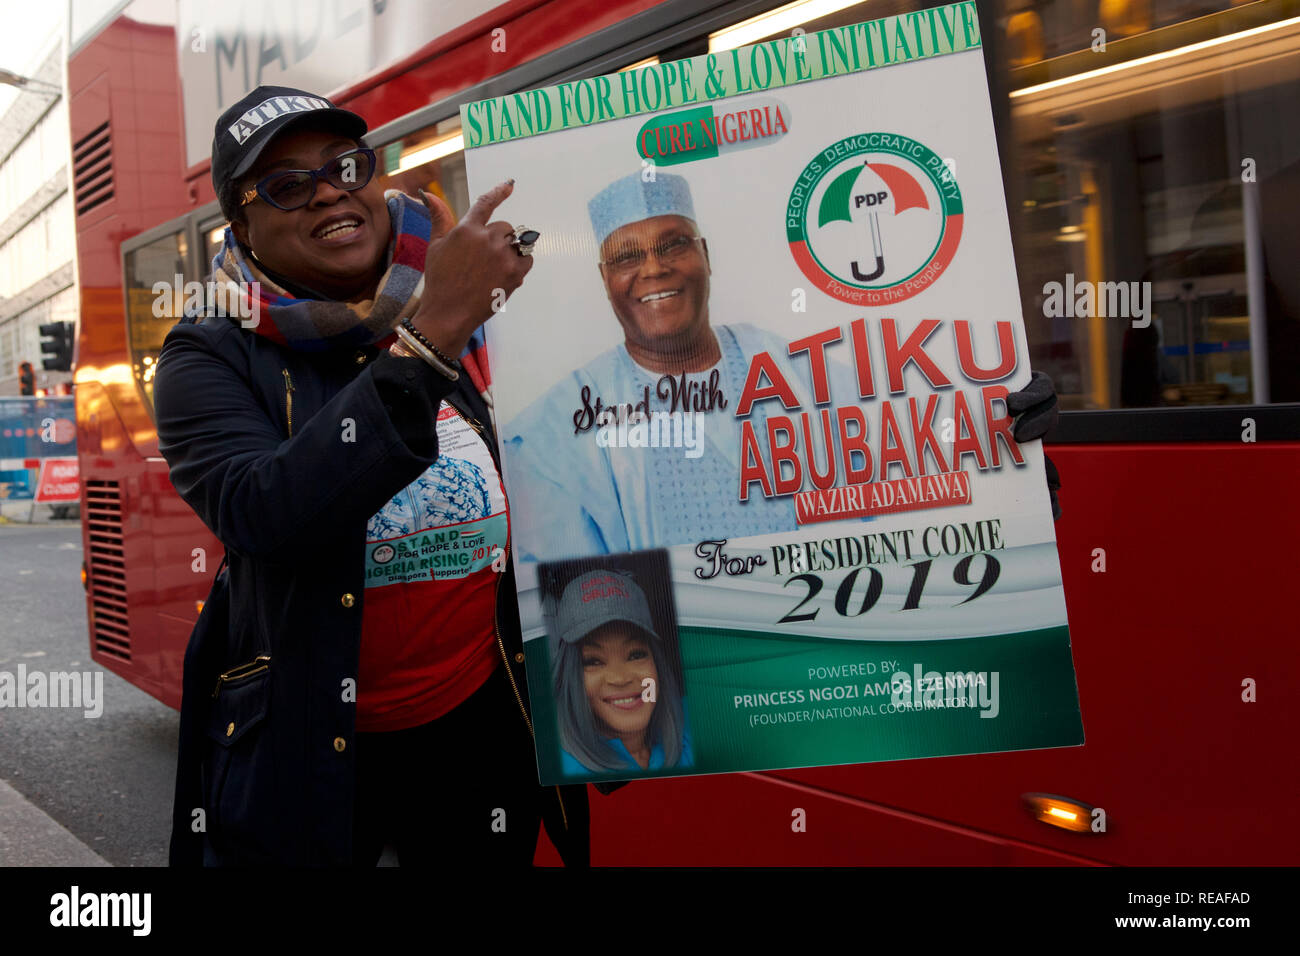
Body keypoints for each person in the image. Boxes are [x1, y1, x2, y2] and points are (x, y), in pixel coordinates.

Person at [153, 85, 597, 867]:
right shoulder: (205, 354)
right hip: (311, 748)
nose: (329, 190)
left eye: (344, 165)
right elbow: (269, 514)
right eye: (287, 185)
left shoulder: (471, 299)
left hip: (477, 733)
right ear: (244, 225)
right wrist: (429, 341)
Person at [503, 171, 1061, 564]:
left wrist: (999, 457)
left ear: (706, 257)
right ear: (606, 279)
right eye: (628, 255)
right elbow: (576, 607)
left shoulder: (797, 372)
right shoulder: (560, 429)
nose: (654, 268)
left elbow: (901, 463)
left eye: (674, 244)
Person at [547, 569, 691, 775]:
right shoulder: (562, 768)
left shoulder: (697, 723)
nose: (620, 678)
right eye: (593, 661)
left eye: (635, 655)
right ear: (569, 676)